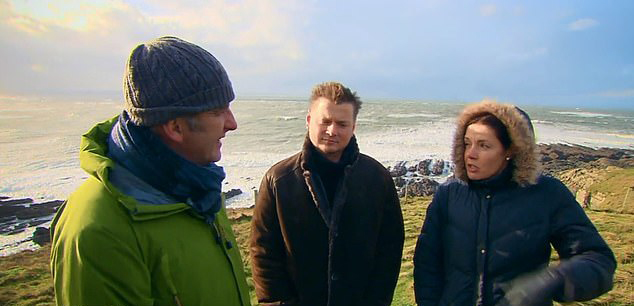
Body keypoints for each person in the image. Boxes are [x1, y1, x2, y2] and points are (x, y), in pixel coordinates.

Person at [50, 36, 250, 305]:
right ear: (175, 127)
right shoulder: (97, 231)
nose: (232, 123)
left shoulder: (198, 186)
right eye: (216, 112)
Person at [413, 100, 616, 305]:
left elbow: (598, 259)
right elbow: (427, 266)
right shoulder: (448, 194)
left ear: (511, 150)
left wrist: (554, 281)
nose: (470, 154)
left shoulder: (547, 194)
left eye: (484, 145)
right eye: (467, 143)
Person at [250, 81, 405, 305]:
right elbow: (263, 252)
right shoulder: (279, 180)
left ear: (354, 127)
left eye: (342, 124)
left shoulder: (377, 179)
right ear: (309, 121)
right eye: (325, 121)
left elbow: (389, 249)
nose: (332, 131)